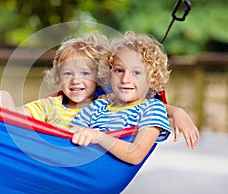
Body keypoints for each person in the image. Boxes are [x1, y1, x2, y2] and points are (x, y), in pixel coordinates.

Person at [0, 33, 199, 149]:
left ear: (98, 77)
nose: (76, 81)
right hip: (32, 149)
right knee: (0, 97)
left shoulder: (104, 103)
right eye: (68, 73)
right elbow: (14, 119)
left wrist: (177, 112)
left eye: (84, 74)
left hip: (74, 157)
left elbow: (147, 106)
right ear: (58, 77)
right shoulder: (52, 104)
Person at [70, 31, 172, 164]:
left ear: (152, 79)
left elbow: (136, 155)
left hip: (105, 172)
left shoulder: (152, 109)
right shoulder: (97, 106)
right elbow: (69, 135)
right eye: (119, 70)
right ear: (109, 73)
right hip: (80, 167)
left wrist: (98, 137)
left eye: (136, 72)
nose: (125, 79)